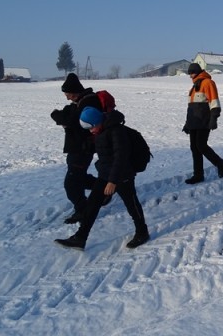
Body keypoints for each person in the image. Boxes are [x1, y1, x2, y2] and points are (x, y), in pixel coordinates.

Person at [55, 106, 149, 250]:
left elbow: (120, 157)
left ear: (98, 121)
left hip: (122, 174)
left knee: (131, 203)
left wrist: (112, 181)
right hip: (106, 172)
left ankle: (142, 232)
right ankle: (80, 238)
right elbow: (105, 152)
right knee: (92, 204)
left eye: (91, 127)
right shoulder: (101, 130)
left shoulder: (116, 131)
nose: (90, 130)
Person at [50, 73, 104, 224]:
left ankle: (83, 210)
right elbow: (65, 116)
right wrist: (60, 116)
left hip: (82, 148)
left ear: (75, 91)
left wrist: (63, 119)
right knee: (78, 177)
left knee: (71, 183)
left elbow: (72, 121)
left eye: (68, 94)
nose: (67, 98)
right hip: (77, 147)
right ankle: (104, 188)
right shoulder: (79, 101)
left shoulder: (89, 102)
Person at [183, 63, 223, 184]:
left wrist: (214, 118)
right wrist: (187, 123)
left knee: (201, 145)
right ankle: (198, 175)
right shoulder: (193, 87)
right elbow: (191, 108)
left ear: (197, 72)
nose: (191, 76)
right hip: (194, 122)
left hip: (204, 121)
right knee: (194, 148)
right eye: (189, 73)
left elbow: (214, 102)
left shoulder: (208, 83)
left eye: (192, 73)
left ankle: (220, 163)